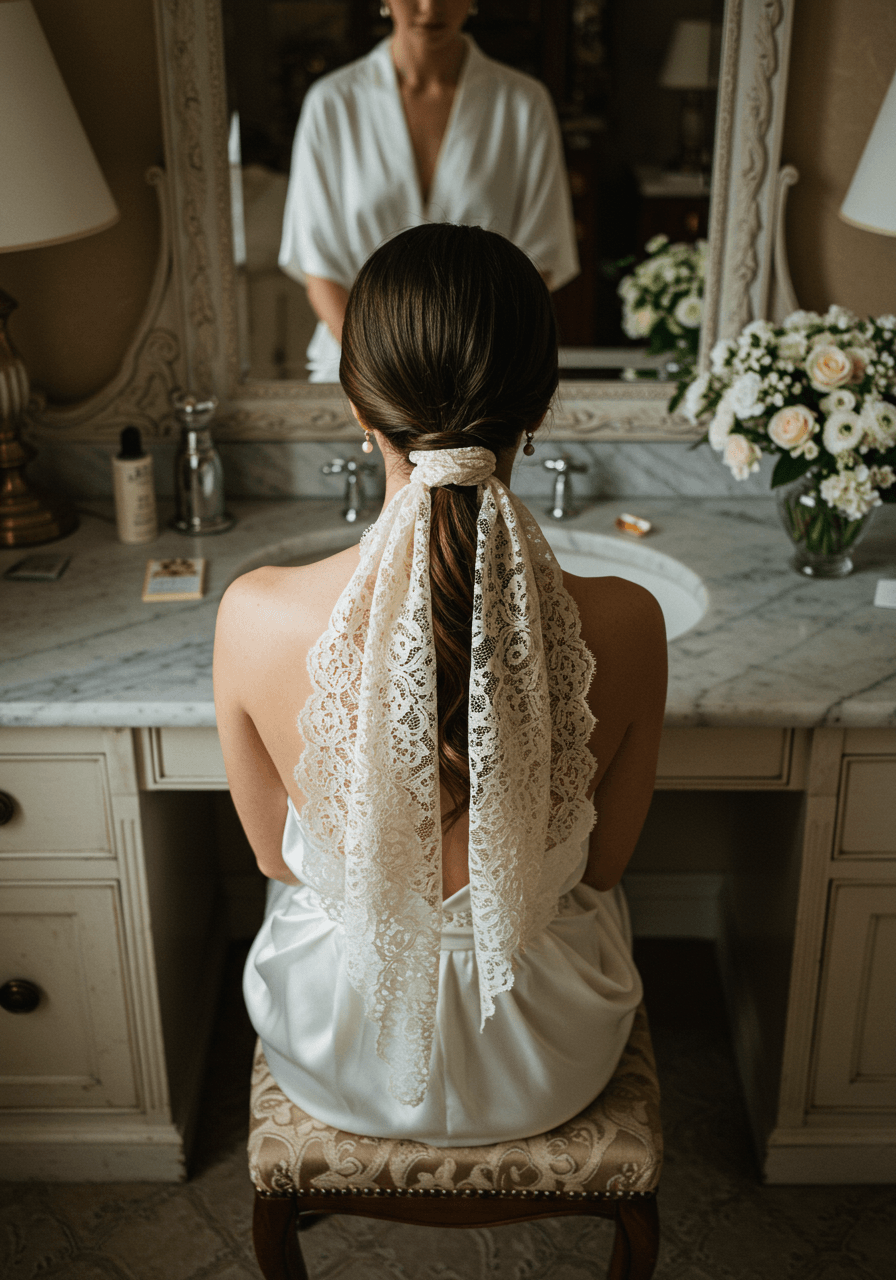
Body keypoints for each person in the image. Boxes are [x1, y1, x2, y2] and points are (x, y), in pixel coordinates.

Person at [214, 223, 667, 1146]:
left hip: (344, 1049)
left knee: (309, 883)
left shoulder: (254, 614)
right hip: (547, 1058)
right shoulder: (628, 620)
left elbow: (274, 861)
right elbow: (609, 869)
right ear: (538, 409)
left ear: (357, 409)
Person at [279, 0, 579, 381]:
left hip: (483, 371)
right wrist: (382, 372)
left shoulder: (522, 103)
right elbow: (318, 264)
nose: (429, 6)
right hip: (357, 367)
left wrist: (473, 364)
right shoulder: (333, 103)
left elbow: (541, 256)